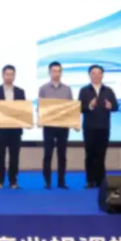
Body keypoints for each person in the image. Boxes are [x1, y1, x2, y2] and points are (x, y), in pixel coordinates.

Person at [79, 64, 119, 188]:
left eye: (99, 73)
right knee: (90, 154)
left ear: (102, 75)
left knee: (101, 154)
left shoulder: (108, 90)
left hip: (104, 127)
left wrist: (110, 106)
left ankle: (100, 180)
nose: (96, 76)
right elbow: (79, 108)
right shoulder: (84, 90)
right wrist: (89, 106)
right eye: (93, 73)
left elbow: (116, 106)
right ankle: (90, 180)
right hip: (89, 127)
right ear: (89, 75)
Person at [0, 65, 26, 189]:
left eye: (11, 74)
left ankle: (13, 181)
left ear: (14, 76)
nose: (9, 77)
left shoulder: (20, 92)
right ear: (2, 75)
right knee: (0, 155)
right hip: (0, 130)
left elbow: (23, 111)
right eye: (7, 74)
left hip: (15, 130)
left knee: (14, 156)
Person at [38, 61, 74, 190]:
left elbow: (71, 108)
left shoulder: (67, 89)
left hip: (63, 127)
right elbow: (40, 107)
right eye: (54, 71)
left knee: (62, 154)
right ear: (49, 72)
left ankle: (61, 181)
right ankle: (47, 181)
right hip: (49, 126)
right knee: (48, 153)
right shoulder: (43, 89)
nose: (56, 74)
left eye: (59, 71)